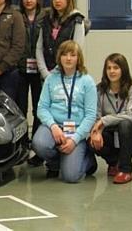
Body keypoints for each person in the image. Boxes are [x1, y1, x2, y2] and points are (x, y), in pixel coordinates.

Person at [32, 40, 97, 183]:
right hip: (54, 126)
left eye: (72, 55)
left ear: (78, 58)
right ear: (59, 57)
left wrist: (75, 140)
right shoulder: (51, 79)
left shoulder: (87, 81)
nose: (68, 58)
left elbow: (91, 115)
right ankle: (55, 164)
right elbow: (42, 108)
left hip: (76, 129)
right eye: (65, 54)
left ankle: (88, 159)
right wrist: (53, 126)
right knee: (39, 143)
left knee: (71, 177)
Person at [89, 53, 132, 184]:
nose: (112, 71)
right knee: (91, 142)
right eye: (109, 68)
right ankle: (114, 163)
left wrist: (104, 120)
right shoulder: (99, 90)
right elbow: (96, 116)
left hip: (131, 135)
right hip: (109, 133)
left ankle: (125, 170)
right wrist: (97, 131)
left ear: (123, 70)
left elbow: (131, 115)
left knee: (125, 124)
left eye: (116, 68)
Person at [16, 0, 46, 166]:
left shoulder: (45, 16)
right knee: (20, 108)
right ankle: (21, 147)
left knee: (39, 109)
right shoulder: (17, 16)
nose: (29, 1)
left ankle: (37, 148)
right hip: (20, 68)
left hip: (40, 69)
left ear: (38, 0)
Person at [36, 0, 86, 80]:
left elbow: (76, 50)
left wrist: (55, 72)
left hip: (66, 74)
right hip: (46, 74)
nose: (57, 1)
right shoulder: (46, 19)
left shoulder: (77, 20)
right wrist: (44, 72)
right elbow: (39, 48)